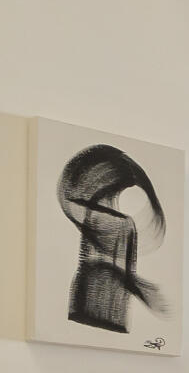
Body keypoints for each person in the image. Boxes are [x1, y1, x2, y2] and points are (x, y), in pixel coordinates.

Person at [59, 143, 168, 335]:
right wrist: (143, 291)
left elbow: (109, 269)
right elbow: (116, 271)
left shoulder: (101, 219)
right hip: (108, 305)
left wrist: (142, 290)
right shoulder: (121, 224)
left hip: (95, 302)